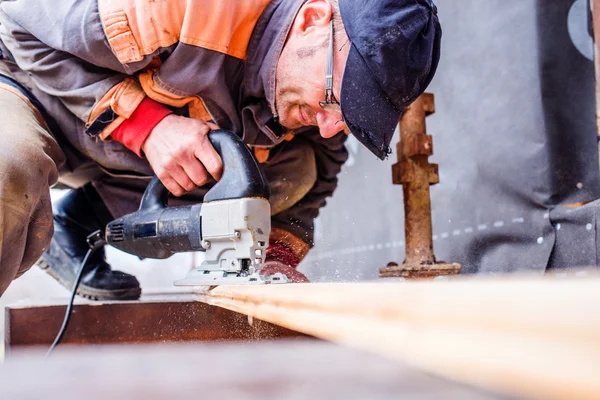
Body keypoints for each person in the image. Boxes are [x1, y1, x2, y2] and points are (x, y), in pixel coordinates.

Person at [0, 0, 440, 299]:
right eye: (331, 99)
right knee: (8, 169)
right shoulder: (193, 8)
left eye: (346, 115)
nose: (329, 126)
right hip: (33, 89)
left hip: (121, 143)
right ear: (312, 20)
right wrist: (147, 127)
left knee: (290, 171)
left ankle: (81, 218)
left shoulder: (323, 88)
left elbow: (321, 167)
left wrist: (275, 256)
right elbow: (19, 21)